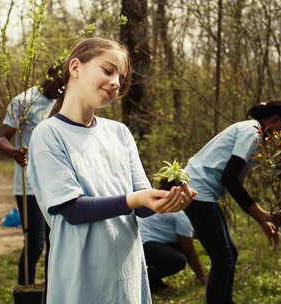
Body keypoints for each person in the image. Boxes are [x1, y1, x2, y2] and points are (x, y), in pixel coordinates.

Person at [26, 37, 196, 304]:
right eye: (108, 70)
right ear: (75, 67)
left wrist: (165, 200)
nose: (116, 82)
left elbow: (140, 204)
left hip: (126, 270)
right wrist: (135, 200)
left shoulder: (120, 133)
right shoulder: (48, 134)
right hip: (81, 276)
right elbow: (72, 209)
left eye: (121, 77)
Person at [183, 101, 281, 304]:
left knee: (229, 254)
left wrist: (261, 219)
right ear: (274, 120)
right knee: (223, 258)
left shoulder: (251, 131)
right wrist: (261, 214)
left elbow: (234, 181)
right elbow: (229, 179)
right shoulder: (253, 133)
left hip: (200, 191)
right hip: (197, 192)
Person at [0, 63, 62, 286]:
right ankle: (25, 290)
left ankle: (52, 294)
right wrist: (14, 152)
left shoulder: (66, 103)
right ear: (49, 77)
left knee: (58, 244)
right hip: (29, 185)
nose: (61, 89)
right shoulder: (24, 101)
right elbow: (2, 137)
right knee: (36, 244)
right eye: (58, 83)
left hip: (58, 186)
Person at [138, 211, 207, 291]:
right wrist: (202, 277)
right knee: (178, 260)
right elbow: (189, 251)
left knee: (179, 248)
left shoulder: (175, 207)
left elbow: (188, 233)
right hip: (144, 245)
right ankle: (144, 279)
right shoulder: (181, 215)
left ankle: (154, 282)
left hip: (145, 240)